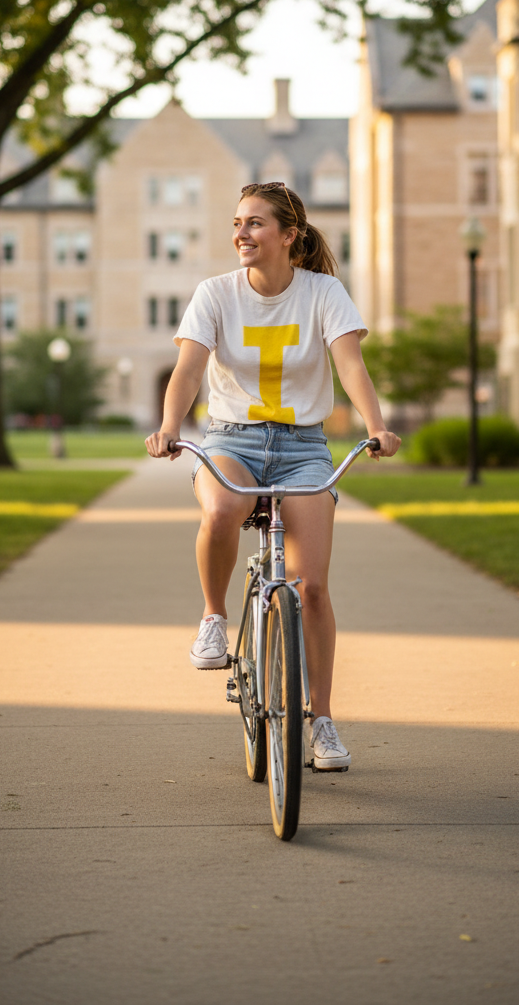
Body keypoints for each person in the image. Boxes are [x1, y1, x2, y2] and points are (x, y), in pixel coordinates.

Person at [146, 182, 400, 771]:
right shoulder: (215, 294)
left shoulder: (323, 292)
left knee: (311, 587)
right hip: (231, 440)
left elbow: (349, 363)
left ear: (290, 236)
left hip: (303, 447)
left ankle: (323, 722)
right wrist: (168, 425)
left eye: (256, 223)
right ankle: (214, 617)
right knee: (220, 512)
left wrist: (376, 426)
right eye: (237, 223)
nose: (241, 233)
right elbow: (188, 370)